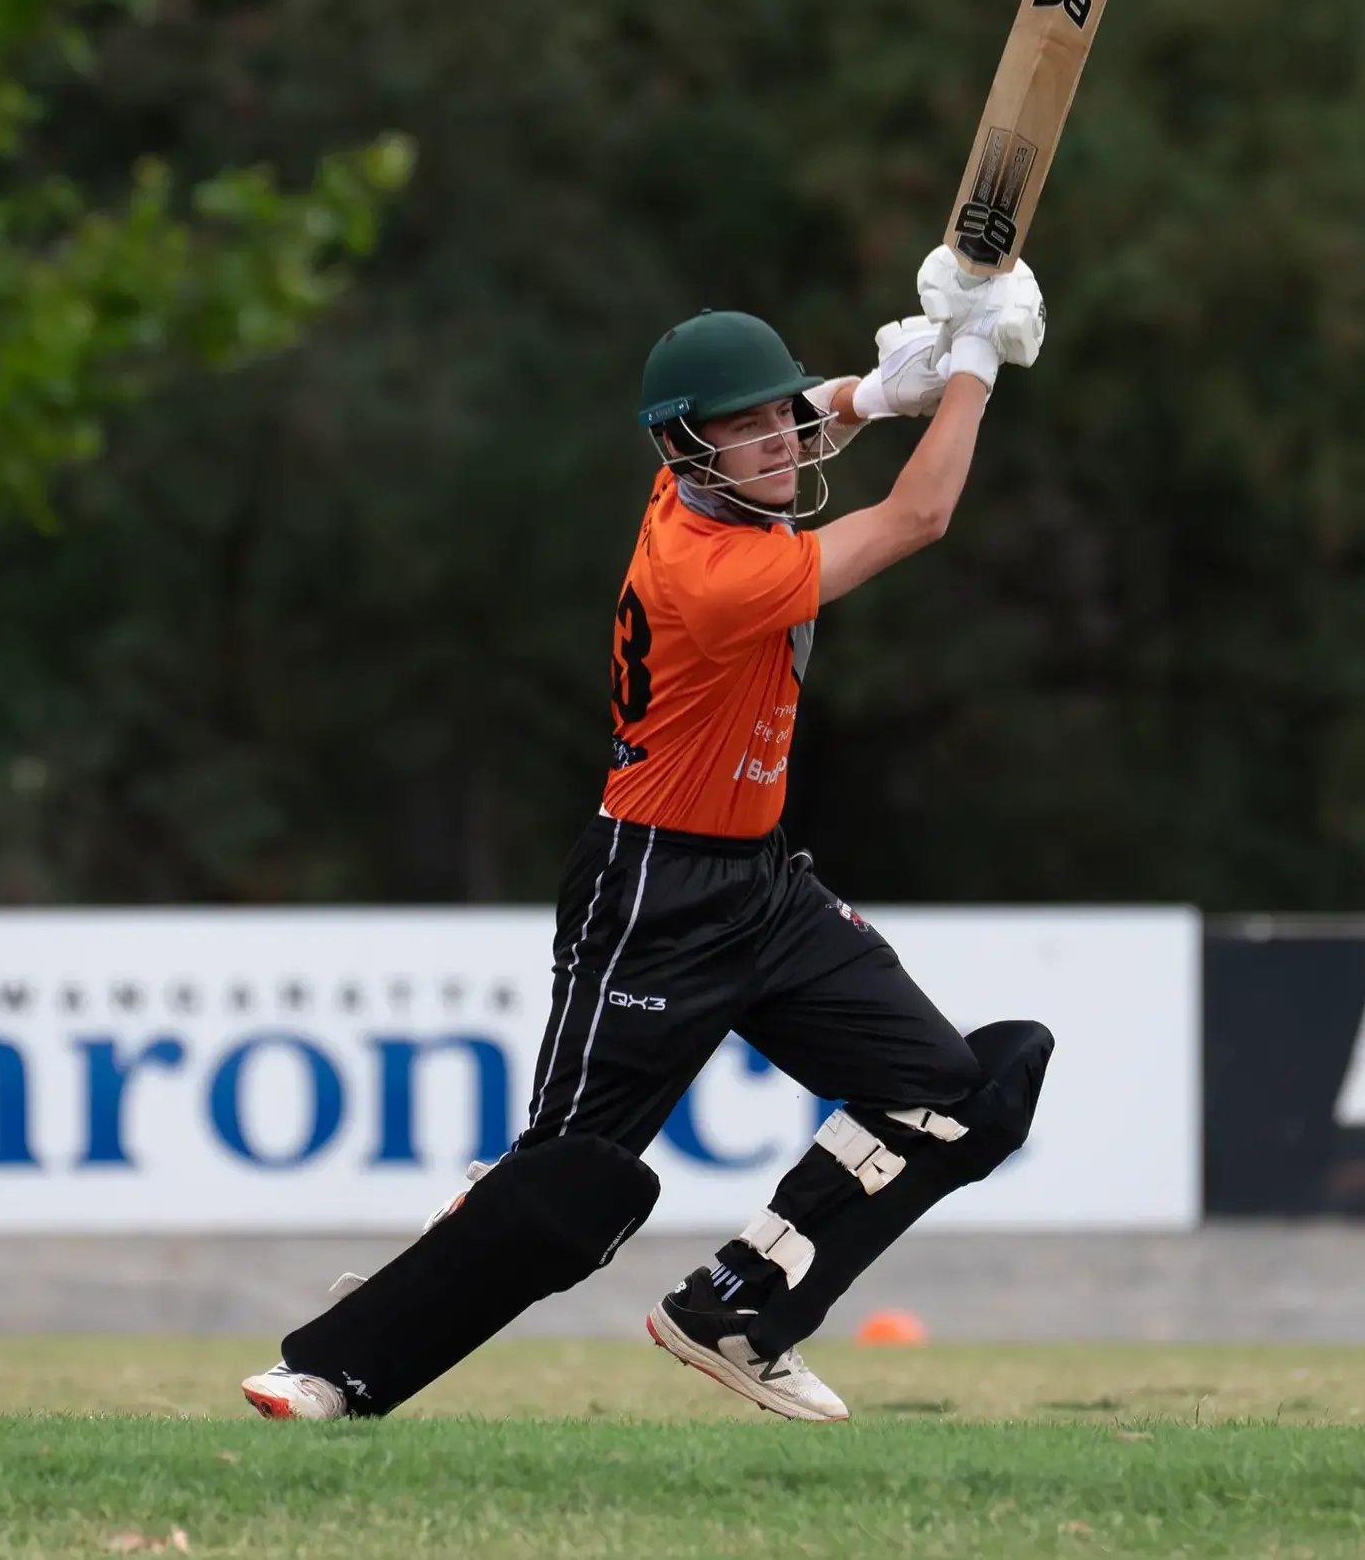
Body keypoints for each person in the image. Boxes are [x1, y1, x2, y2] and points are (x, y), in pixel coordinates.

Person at [241, 249, 1054, 1424]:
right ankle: (329, 1367)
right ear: (690, 451)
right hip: (652, 892)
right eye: (745, 428)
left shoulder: (703, 484)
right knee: (572, 1182)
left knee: (964, 1092)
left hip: (764, 886)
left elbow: (792, 428)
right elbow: (921, 514)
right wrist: (973, 362)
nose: (776, 438)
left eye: (779, 413)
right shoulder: (717, 572)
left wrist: (879, 390)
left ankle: (740, 1308)